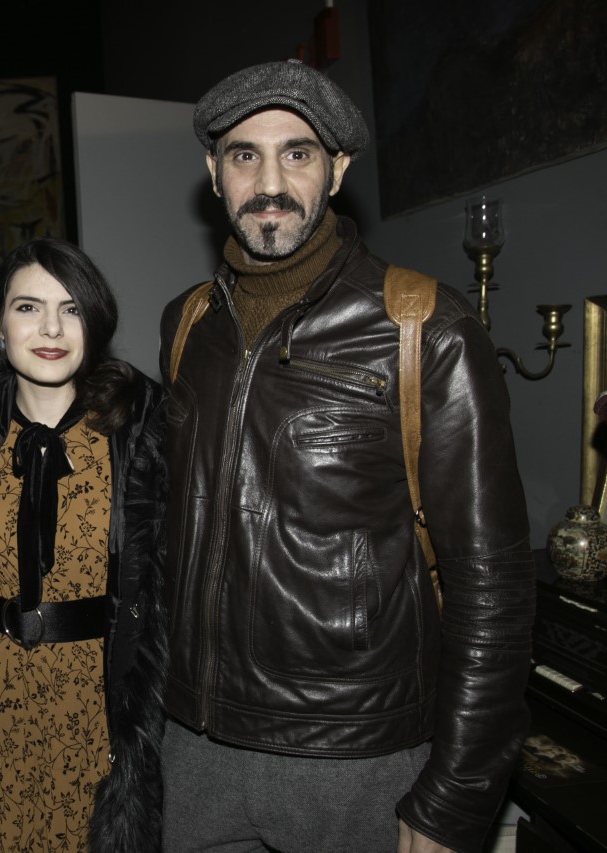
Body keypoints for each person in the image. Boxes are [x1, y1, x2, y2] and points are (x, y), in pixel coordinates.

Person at [159, 60, 535, 853]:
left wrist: (457, 795)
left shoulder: (425, 328)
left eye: (297, 153)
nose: (269, 183)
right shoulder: (189, 326)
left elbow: (492, 588)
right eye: (244, 155)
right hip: (194, 751)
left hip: (357, 764)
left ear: (337, 170)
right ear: (213, 173)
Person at [0, 238, 168, 852]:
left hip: (105, 701)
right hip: (1, 694)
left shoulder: (142, 431)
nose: (51, 328)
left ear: (95, 321)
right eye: (28, 307)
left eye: (71, 308)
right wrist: (9, 613)